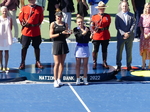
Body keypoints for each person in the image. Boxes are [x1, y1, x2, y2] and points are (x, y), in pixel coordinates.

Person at [18, 0, 44, 70]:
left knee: (37, 47)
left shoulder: (39, 8)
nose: (32, 1)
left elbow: (41, 19)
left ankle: (37, 61)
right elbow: (21, 18)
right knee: (24, 47)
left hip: (35, 30)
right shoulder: (24, 8)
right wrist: (23, 23)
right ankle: (22, 62)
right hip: (26, 30)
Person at [49, 11, 72, 88]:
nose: (59, 17)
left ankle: (59, 79)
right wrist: (60, 33)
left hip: (63, 43)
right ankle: (55, 80)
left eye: (60, 16)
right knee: (57, 63)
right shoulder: (53, 24)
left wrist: (68, 34)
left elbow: (66, 36)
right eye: (58, 16)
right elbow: (51, 35)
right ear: (56, 17)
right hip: (56, 44)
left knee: (62, 63)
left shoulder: (65, 24)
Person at [115, 1, 135, 72]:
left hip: (129, 37)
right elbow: (117, 26)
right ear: (121, 6)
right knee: (119, 52)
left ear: (128, 6)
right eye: (123, 6)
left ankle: (129, 66)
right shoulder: (117, 15)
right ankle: (118, 66)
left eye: (126, 6)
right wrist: (123, 34)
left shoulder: (131, 15)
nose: (124, 7)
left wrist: (128, 33)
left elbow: (133, 25)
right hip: (121, 37)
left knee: (129, 52)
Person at [90, 1, 111, 69]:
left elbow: (108, 25)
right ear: (98, 8)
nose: (102, 9)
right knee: (95, 50)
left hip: (105, 34)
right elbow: (92, 26)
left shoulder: (107, 16)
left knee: (104, 49)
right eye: (100, 8)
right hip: (97, 35)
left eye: (103, 8)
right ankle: (94, 62)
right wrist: (92, 32)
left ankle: (104, 62)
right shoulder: (94, 17)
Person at [73, 15, 91, 85]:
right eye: (79, 22)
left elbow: (88, 39)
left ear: (83, 22)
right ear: (77, 23)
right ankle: (78, 79)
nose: (80, 23)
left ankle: (85, 78)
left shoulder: (87, 28)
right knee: (78, 64)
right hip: (78, 48)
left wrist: (91, 35)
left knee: (85, 65)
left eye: (81, 22)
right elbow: (79, 36)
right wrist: (85, 32)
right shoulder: (75, 29)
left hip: (85, 47)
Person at [0, 6, 12, 72]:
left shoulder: (9, 19)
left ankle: (6, 66)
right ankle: (1, 66)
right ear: (1, 12)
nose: (4, 12)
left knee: (7, 52)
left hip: (7, 38)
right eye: (3, 11)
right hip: (0, 38)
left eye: (5, 11)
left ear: (7, 11)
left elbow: (11, 28)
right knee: (0, 52)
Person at [138, 3, 150, 69]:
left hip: (149, 34)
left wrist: (149, 34)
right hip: (143, 35)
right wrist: (144, 34)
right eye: (147, 7)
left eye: (149, 7)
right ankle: (143, 64)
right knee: (144, 50)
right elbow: (140, 26)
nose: (148, 9)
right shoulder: (142, 16)